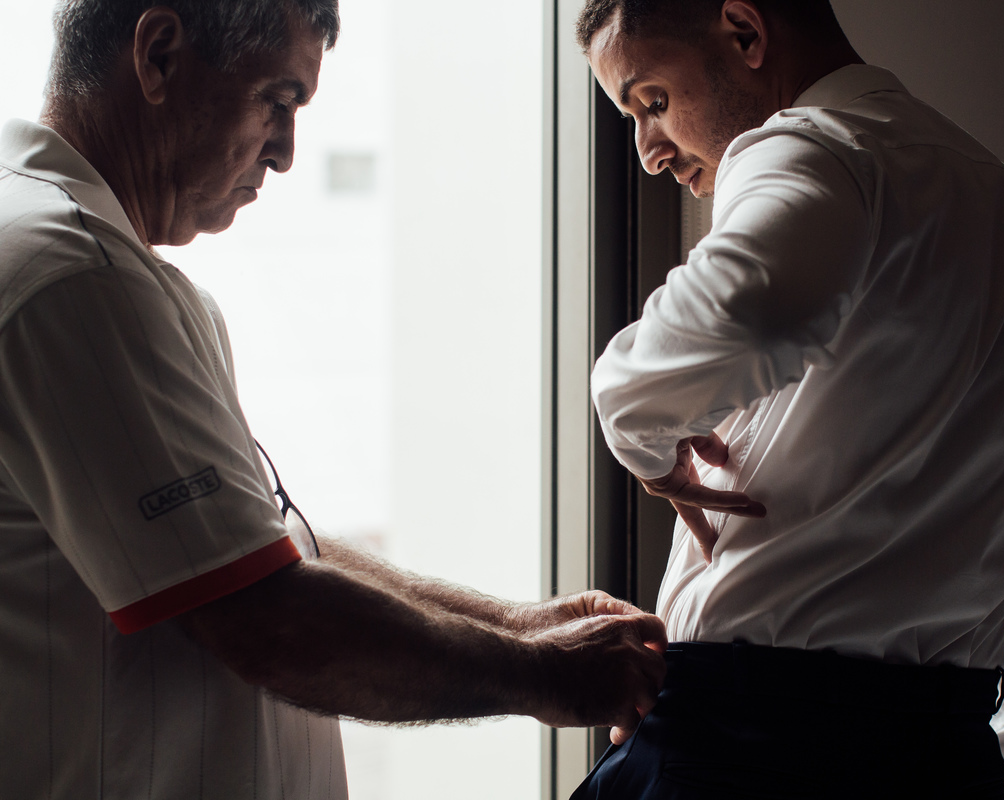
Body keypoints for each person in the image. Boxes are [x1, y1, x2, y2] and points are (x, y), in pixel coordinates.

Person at [0, 1, 667, 798]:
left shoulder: (95, 263)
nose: (283, 153)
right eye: (277, 101)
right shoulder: (71, 276)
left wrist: (522, 625)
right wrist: (544, 675)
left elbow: (265, 550)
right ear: (160, 55)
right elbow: (267, 618)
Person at [573, 1, 1004, 798]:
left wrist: (639, 428)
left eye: (652, 101)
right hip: (945, 756)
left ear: (746, 33)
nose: (649, 153)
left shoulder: (810, 147)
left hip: (743, 753)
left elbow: (752, 312)